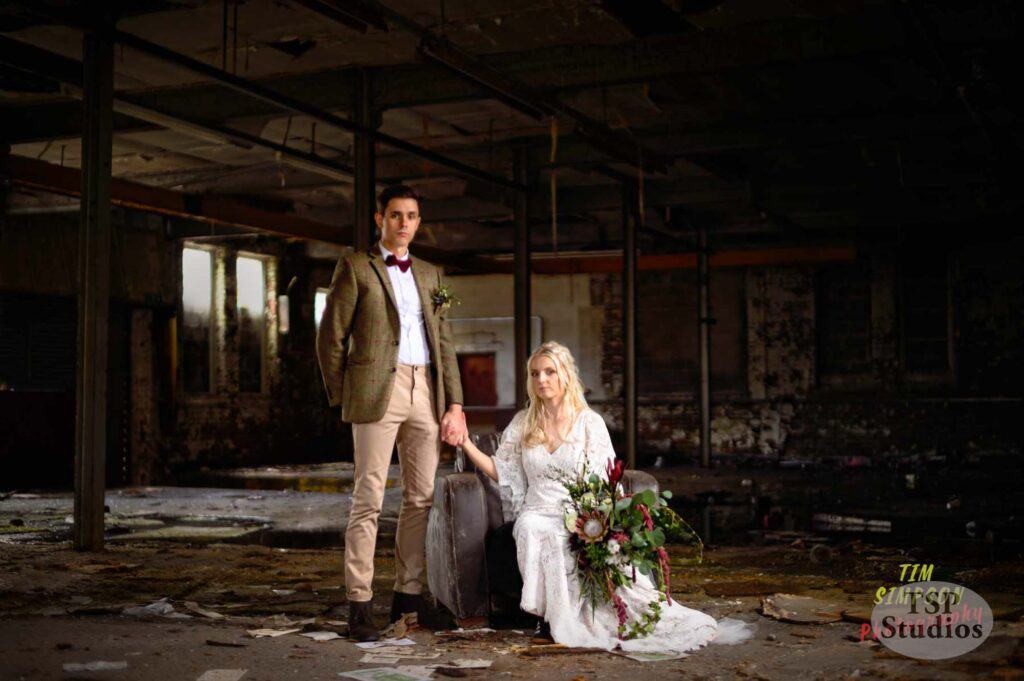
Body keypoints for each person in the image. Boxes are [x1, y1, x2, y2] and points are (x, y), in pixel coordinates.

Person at [458, 341, 745, 653]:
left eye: (550, 372)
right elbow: (504, 470)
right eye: (535, 373)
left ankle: (576, 617)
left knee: (574, 535)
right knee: (529, 527)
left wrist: (601, 520)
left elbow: (606, 479)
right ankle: (547, 617)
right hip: (538, 509)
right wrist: (465, 443)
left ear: (565, 374)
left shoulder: (589, 423)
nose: (542, 379)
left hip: (579, 510)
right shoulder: (523, 423)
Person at [316, 184, 467, 641]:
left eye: (412, 216)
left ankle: (408, 597)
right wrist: (346, 395)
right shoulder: (356, 267)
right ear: (380, 220)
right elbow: (330, 338)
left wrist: (454, 403)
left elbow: (444, 343)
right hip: (376, 389)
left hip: (425, 388)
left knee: (421, 498)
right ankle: (360, 604)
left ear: (419, 222)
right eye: (396, 215)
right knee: (369, 499)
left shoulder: (430, 272)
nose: (404, 223)